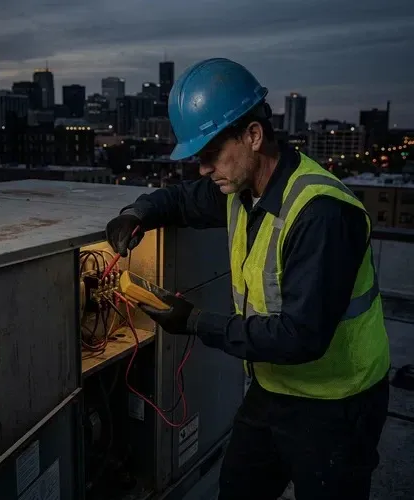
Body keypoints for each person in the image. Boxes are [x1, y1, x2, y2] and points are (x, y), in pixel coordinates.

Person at [105, 58, 390, 500]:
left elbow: (301, 336)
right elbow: (181, 200)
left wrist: (196, 322)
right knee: (238, 488)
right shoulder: (240, 188)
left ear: (253, 136)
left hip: (337, 405)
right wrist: (137, 213)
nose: (203, 169)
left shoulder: (322, 213)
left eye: (210, 154)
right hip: (273, 388)